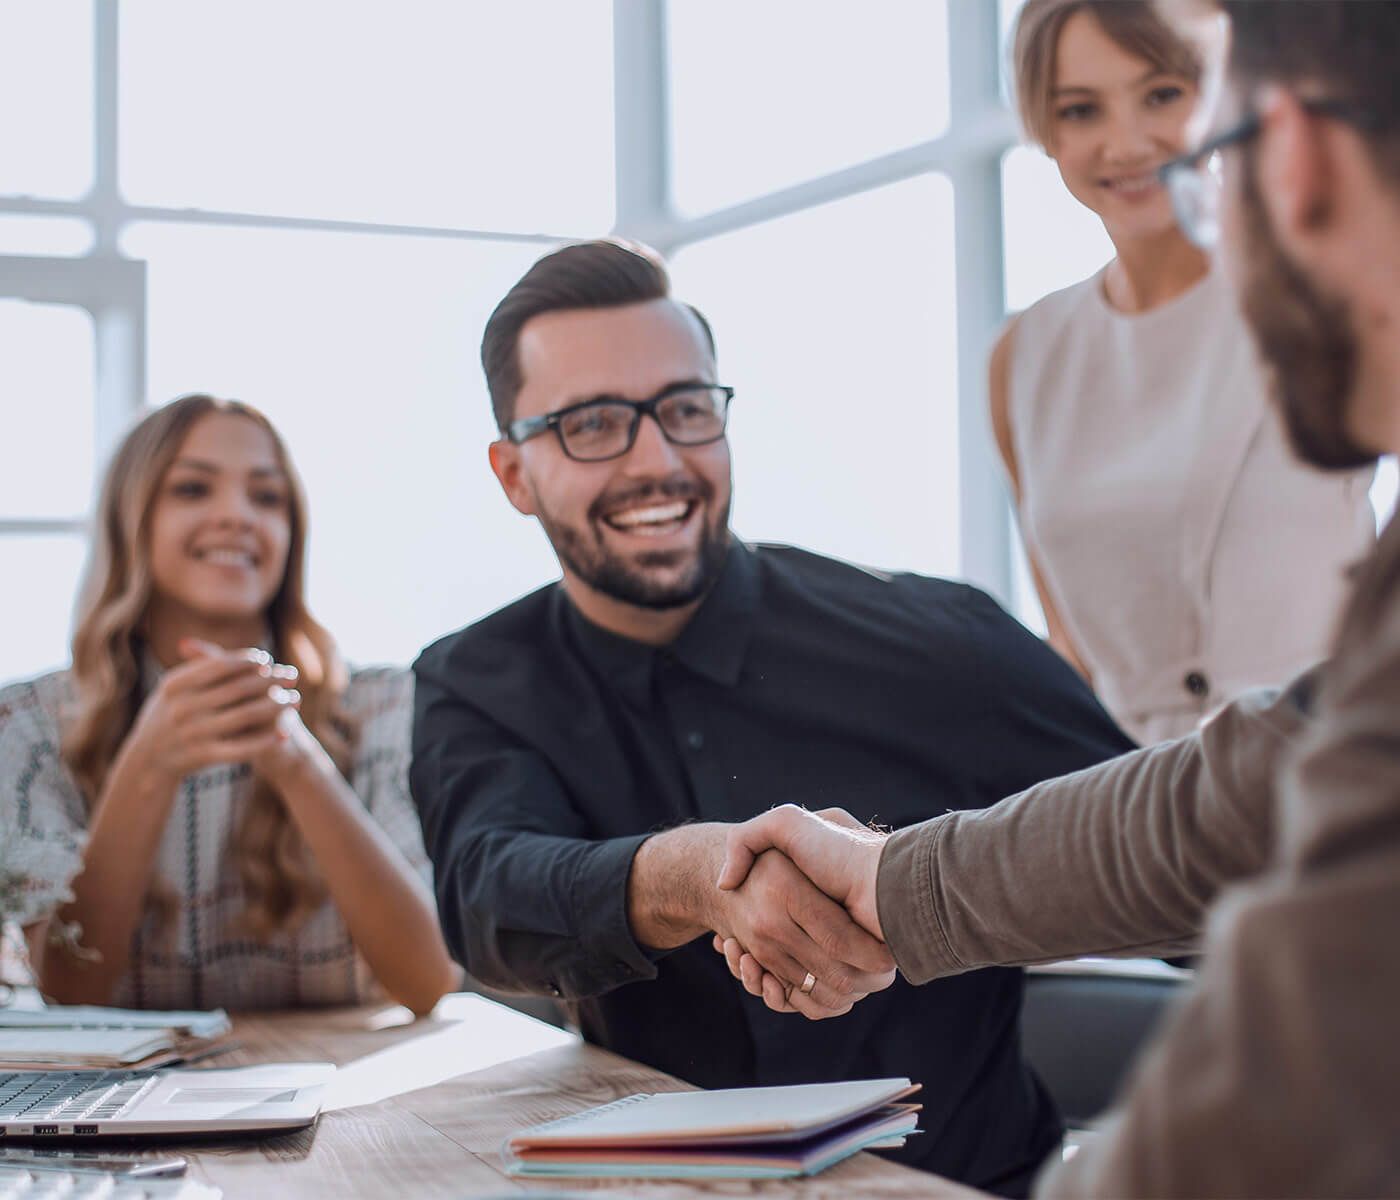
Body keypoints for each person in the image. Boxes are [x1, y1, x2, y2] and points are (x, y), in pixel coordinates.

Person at [715, 3, 1400, 1191]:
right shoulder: (1030, 356)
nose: (1167, 170)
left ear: (1294, 159)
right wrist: (896, 882)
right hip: (1141, 831)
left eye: (1205, 142)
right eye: (1079, 107)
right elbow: (1243, 772)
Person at [410, 239, 1136, 1195]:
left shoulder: (945, 641)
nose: (657, 460)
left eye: (684, 410)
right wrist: (693, 876)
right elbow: (488, 896)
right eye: (592, 424)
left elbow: (1167, 860)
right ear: (514, 475)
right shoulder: (476, 679)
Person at [1, 394, 458, 1013]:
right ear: (128, 519)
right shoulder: (30, 723)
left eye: (267, 497)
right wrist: (148, 766)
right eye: (192, 489)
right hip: (126, 1106)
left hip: (353, 1096)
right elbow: (66, 989)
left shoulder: (379, 704)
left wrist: (299, 763)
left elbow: (429, 981)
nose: (237, 515)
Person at [993, 0, 1373, 743]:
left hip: (1337, 773)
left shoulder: (1316, 279)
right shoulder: (1025, 357)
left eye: (1161, 94)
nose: (1126, 143)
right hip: (1133, 814)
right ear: (1046, 127)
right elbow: (1070, 650)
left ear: (1221, 92)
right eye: (1080, 110)